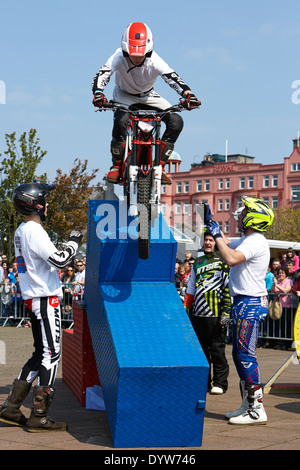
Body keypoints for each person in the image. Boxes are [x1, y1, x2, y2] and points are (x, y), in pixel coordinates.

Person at [0, 182, 83, 432]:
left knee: (40, 352)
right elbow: (60, 259)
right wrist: (73, 241)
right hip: (46, 299)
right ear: (35, 202)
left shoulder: (21, 230)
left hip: (34, 298)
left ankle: (12, 407)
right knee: (52, 354)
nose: (47, 204)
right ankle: (40, 414)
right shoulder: (34, 230)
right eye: (45, 199)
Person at [92, 22, 200, 185]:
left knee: (176, 121)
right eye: (132, 54)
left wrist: (188, 94)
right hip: (124, 95)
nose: (136, 58)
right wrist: (98, 93)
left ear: (148, 51)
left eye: (140, 55)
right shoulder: (117, 56)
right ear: (125, 49)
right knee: (121, 120)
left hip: (149, 96)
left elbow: (173, 79)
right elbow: (103, 74)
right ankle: (117, 164)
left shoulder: (156, 61)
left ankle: (160, 166)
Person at [205, 195, 274, 425]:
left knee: (246, 355)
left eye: (245, 212)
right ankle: (248, 404)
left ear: (253, 218)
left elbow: (231, 258)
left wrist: (215, 232)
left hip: (250, 302)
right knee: (238, 354)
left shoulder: (255, 241)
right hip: (244, 302)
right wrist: (212, 224)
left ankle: (257, 409)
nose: (240, 215)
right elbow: (225, 243)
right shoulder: (250, 240)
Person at [183, 231, 231, 394]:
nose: (208, 243)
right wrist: (185, 308)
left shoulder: (223, 261)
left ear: (216, 243)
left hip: (216, 314)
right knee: (201, 351)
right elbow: (191, 289)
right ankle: (204, 383)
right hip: (198, 314)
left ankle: (220, 383)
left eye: (211, 240)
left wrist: (226, 312)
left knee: (217, 350)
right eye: (206, 240)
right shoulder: (197, 261)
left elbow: (227, 288)